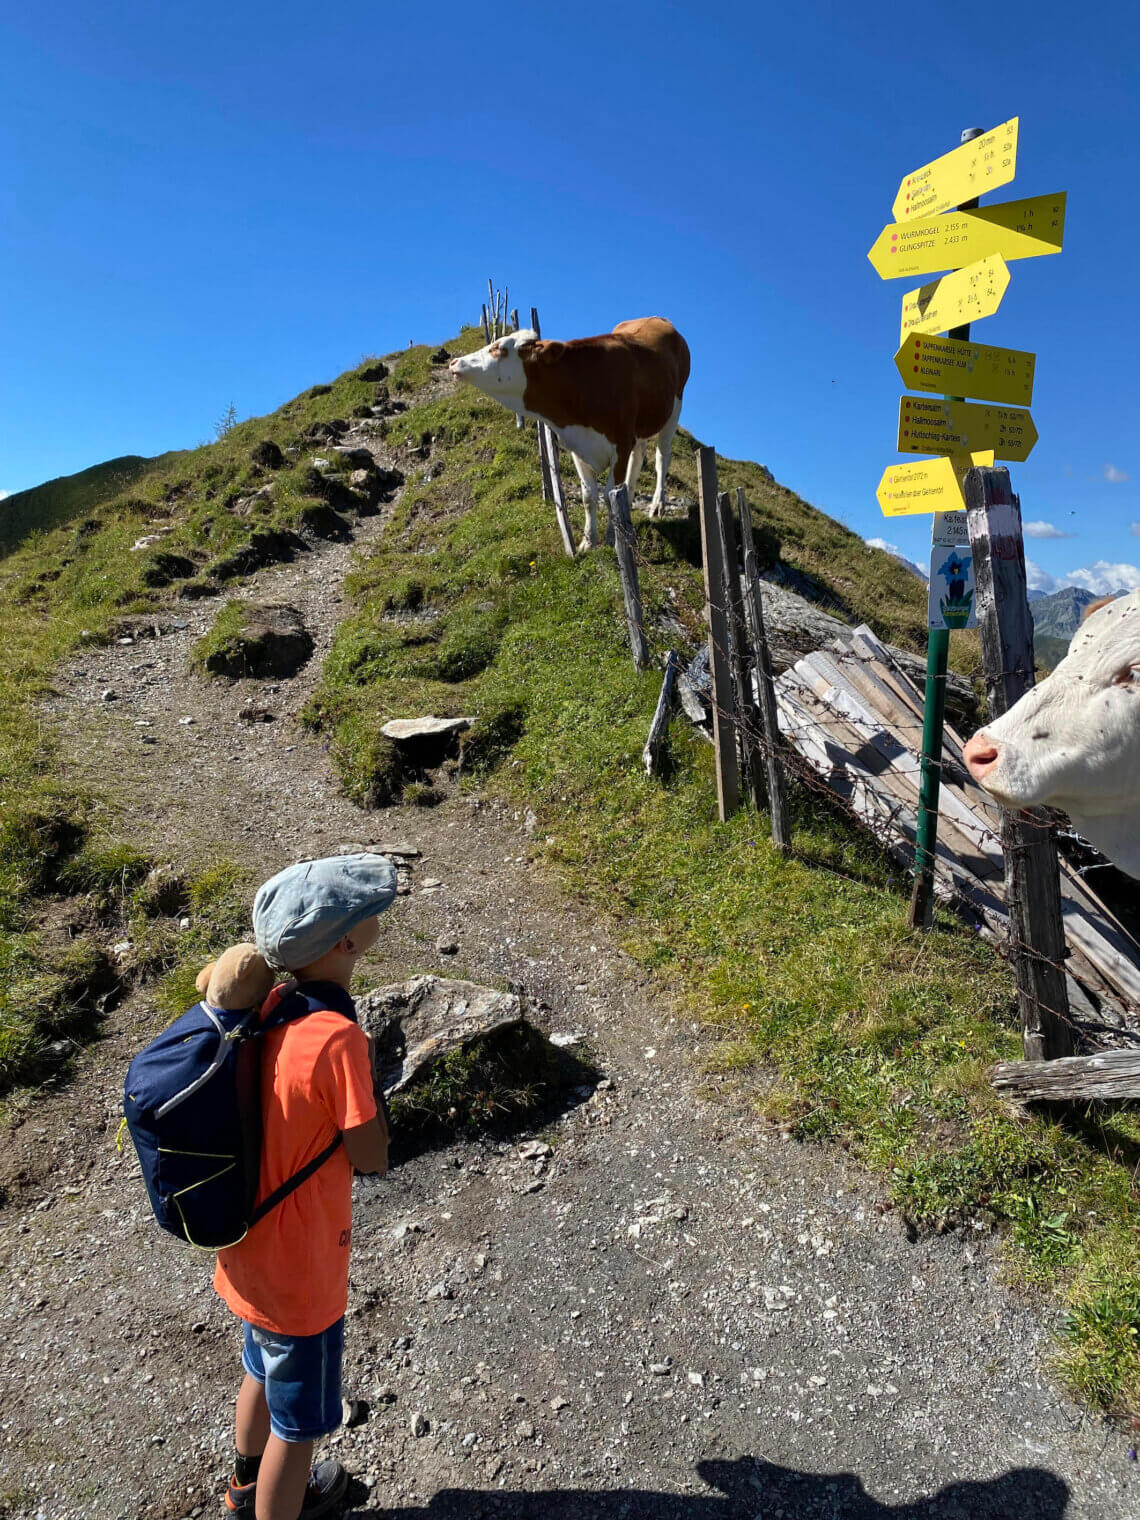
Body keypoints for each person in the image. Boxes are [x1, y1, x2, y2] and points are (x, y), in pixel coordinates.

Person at [216, 854, 397, 1520]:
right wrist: (374, 1098)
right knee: (301, 1429)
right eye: (363, 913)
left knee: (259, 1370)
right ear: (346, 943)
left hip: (248, 1251)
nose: (375, 918)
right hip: (303, 1276)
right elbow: (370, 1155)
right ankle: (275, 1506)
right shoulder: (337, 1038)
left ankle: (242, 1483)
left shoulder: (269, 1003)